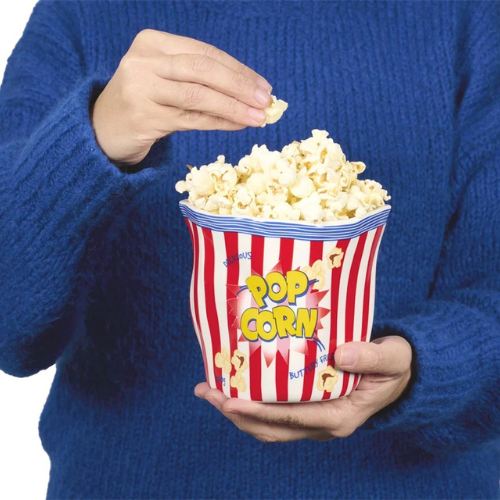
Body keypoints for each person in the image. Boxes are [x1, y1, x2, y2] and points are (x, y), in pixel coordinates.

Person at [0, 1, 499, 498]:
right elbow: (11, 327)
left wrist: (424, 367)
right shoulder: (81, 13)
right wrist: (93, 137)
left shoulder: (466, 15)